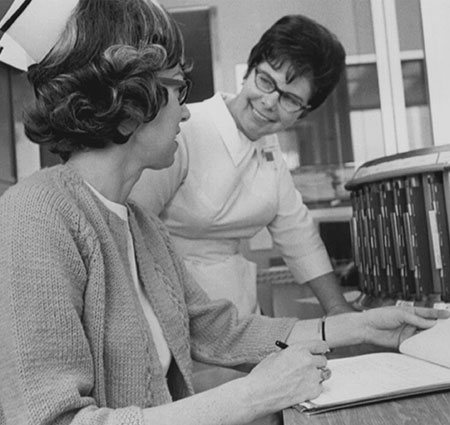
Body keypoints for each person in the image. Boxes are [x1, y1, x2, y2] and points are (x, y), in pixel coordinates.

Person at [0, 1, 450, 424]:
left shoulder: (140, 227)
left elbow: (217, 329)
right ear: (129, 102)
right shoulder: (30, 224)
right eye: (176, 89)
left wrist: (359, 325)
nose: (186, 112)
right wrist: (253, 394)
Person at [129, 15, 354, 318]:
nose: (270, 102)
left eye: (290, 99)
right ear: (249, 71)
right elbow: (129, 231)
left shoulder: (270, 155)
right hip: (168, 307)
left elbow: (299, 237)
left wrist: (339, 309)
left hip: (239, 310)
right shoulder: (183, 129)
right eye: (266, 81)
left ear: (304, 112)